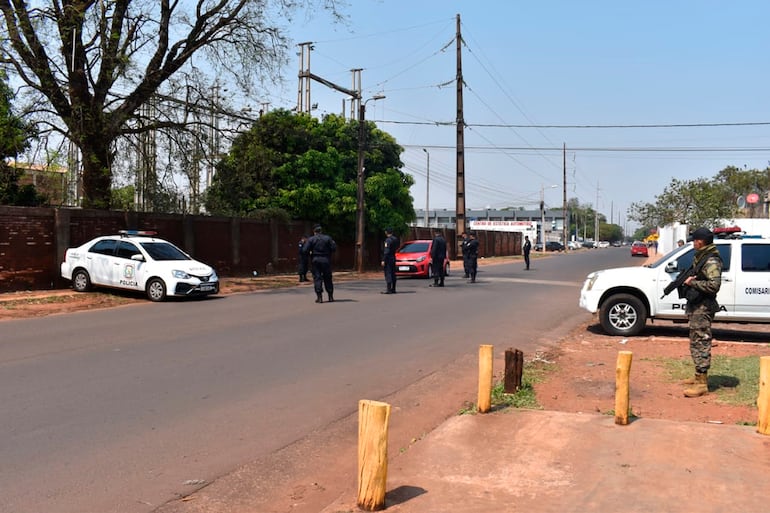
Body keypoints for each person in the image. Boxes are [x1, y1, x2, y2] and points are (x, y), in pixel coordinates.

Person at [680, 227, 722, 398]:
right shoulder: (702, 257)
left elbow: (714, 285)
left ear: (700, 241)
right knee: (695, 341)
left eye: (694, 240)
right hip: (697, 306)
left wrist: (692, 284)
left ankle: (702, 383)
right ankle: (698, 376)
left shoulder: (711, 260)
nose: (693, 243)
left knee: (701, 341)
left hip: (703, 307)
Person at [302, 224, 337, 303]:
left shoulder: (311, 239)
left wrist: (310, 253)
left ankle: (319, 297)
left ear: (314, 231)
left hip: (315, 260)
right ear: (321, 230)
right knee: (328, 277)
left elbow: (304, 250)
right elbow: (334, 248)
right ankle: (330, 296)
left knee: (317, 278)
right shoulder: (328, 238)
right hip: (326, 260)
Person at [381, 227, 400, 294]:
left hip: (388, 258)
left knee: (388, 273)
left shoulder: (388, 240)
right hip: (393, 257)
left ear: (386, 232)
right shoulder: (395, 239)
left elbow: (386, 251)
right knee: (393, 273)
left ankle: (389, 289)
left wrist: (383, 260)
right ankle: (393, 288)